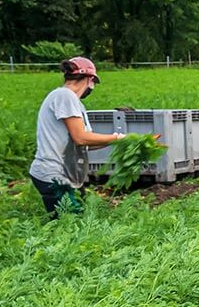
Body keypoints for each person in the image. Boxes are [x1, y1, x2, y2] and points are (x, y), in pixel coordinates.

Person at [29, 57, 128, 217]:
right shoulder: (65, 96)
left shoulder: (72, 101)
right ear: (90, 80)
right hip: (54, 175)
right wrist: (116, 138)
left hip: (65, 175)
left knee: (78, 222)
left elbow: (85, 142)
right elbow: (80, 138)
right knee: (71, 226)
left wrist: (117, 140)